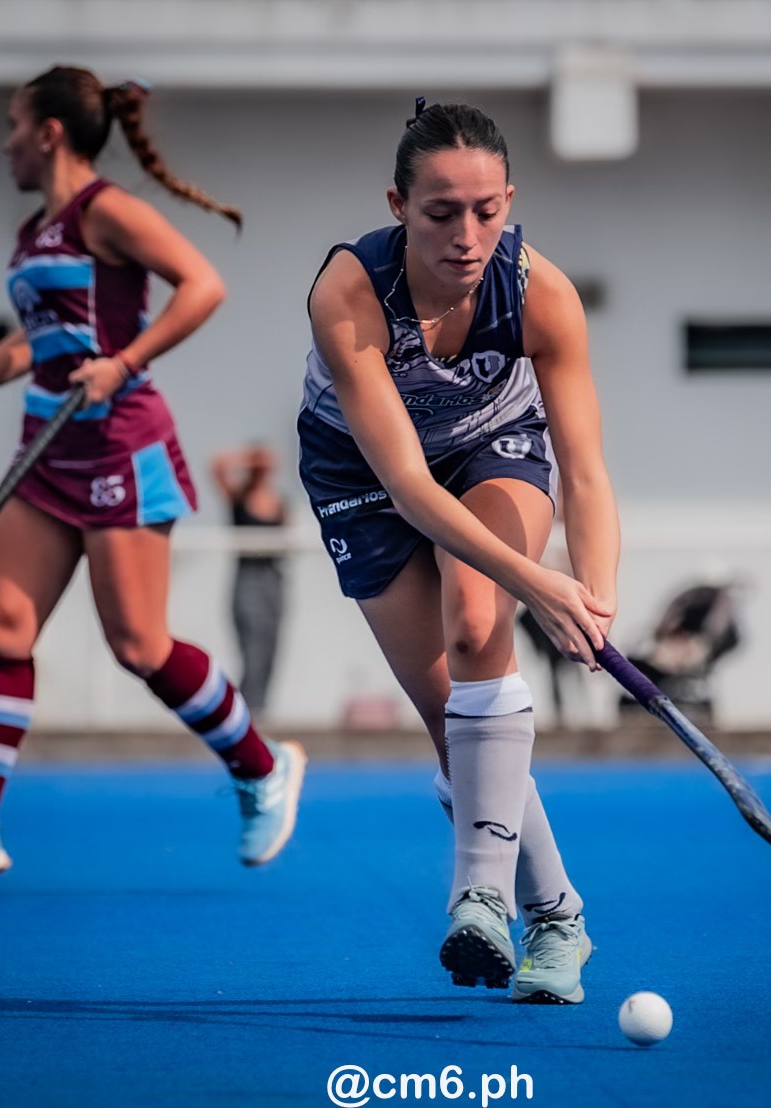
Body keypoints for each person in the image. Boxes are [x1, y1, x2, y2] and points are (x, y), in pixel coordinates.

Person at [0, 66, 305, 877]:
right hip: (46, 453)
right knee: (4, 623)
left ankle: (261, 765)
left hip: (118, 448)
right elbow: (31, 341)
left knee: (138, 646)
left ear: (49, 132)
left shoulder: (105, 212)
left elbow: (203, 286)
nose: (3, 143)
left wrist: (124, 360)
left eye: (11, 125)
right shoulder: (33, 234)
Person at [298, 99, 619, 1005]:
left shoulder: (540, 293)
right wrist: (541, 586)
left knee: (479, 624)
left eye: (486, 210)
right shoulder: (348, 293)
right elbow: (408, 491)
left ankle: (478, 897)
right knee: (457, 728)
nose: (467, 234)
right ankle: (559, 918)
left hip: (494, 444)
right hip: (363, 470)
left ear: (509, 200)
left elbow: (587, 474)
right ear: (397, 204)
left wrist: (592, 594)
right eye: (441, 212)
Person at [211, 444, 288, 714]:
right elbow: (217, 466)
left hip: (274, 581)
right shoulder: (239, 497)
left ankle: (261, 709)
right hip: (247, 578)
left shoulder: (278, 501)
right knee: (252, 652)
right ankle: (247, 712)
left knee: (270, 651)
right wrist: (249, 458)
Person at [620, 571, 743, 722]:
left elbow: (717, 629)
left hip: (697, 653)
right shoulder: (691, 601)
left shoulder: (719, 607)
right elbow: (667, 622)